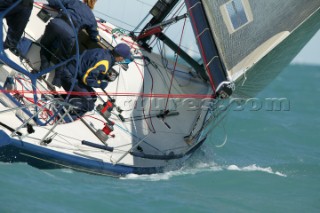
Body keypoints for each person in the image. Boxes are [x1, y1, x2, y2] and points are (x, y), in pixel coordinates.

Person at [60, 43, 133, 116]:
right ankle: (61, 111)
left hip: (71, 72)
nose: (123, 60)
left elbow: (91, 66)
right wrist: (101, 83)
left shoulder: (103, 52)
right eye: (124, 58)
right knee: (89, 104)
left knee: (93, 97)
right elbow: (86, 79)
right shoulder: (105, 62)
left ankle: (60, 99)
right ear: (120, 57)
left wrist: (103, 76)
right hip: (70, 76)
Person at [40, 0, 99, 86]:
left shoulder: (73, 2)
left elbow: (54, 2)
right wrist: (96, 38)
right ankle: (56, 82)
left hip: (55, 24)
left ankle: (42, 71)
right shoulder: (91, 17)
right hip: (69, 34)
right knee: (62, 58)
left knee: (46, 46)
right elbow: (94, 36)